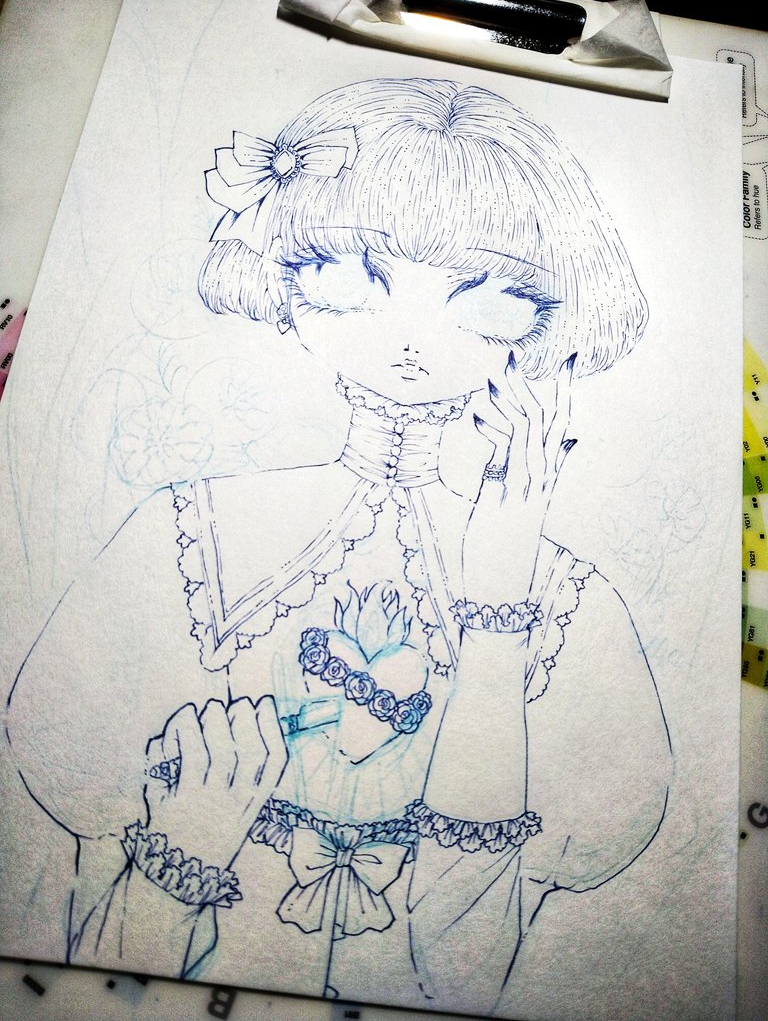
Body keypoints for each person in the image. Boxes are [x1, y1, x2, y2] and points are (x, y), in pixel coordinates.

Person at [6, 78, 672, 1015]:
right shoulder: (188, 530)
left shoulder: (563, 597)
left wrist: (500, 588)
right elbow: (97, 941)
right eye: (353, 275)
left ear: (552, 316)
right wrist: (186, 843)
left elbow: (465, 972)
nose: (413, 336)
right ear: (281, 273)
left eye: (492, 297)